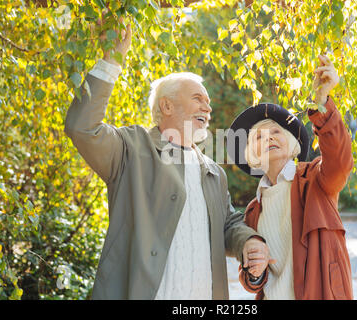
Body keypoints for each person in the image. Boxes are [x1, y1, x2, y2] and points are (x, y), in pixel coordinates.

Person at [64, 17, 273, 299]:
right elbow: (82, 127)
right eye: (198, 98)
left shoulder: (213, 172)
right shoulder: (130, 149)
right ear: (167, 105)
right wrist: (111, 60)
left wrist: (248, 241)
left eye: (208, 103)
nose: (207, 108)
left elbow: (227, 224)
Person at [227, 55, 354, 300]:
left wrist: (322, 104)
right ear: (252, 154)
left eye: (276, 132)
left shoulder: (314, 180)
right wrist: (254, 272)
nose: (269, 138)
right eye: (259, 137)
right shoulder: (253, 212)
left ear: (292, 142)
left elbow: (340, 163)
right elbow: (252, 279)